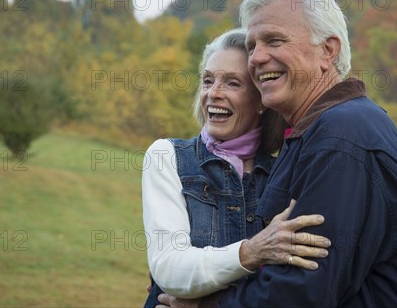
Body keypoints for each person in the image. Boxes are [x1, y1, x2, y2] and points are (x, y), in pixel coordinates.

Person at [159, 0, 397, 307]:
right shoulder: (319, 131)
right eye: (252, 46)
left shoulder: (340, 137)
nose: (257, 57)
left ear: (328, 51)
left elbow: (303, 292)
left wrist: (208, 305)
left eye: (274, 40)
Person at [142, 29, 332, 307]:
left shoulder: (286, 171)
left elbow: (310, 273)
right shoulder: (167, 156)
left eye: (233, 83)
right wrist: (252, 252)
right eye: (208, 81)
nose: (213, 93)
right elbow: (170, 269)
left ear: (261, 100)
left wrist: (385, 271)